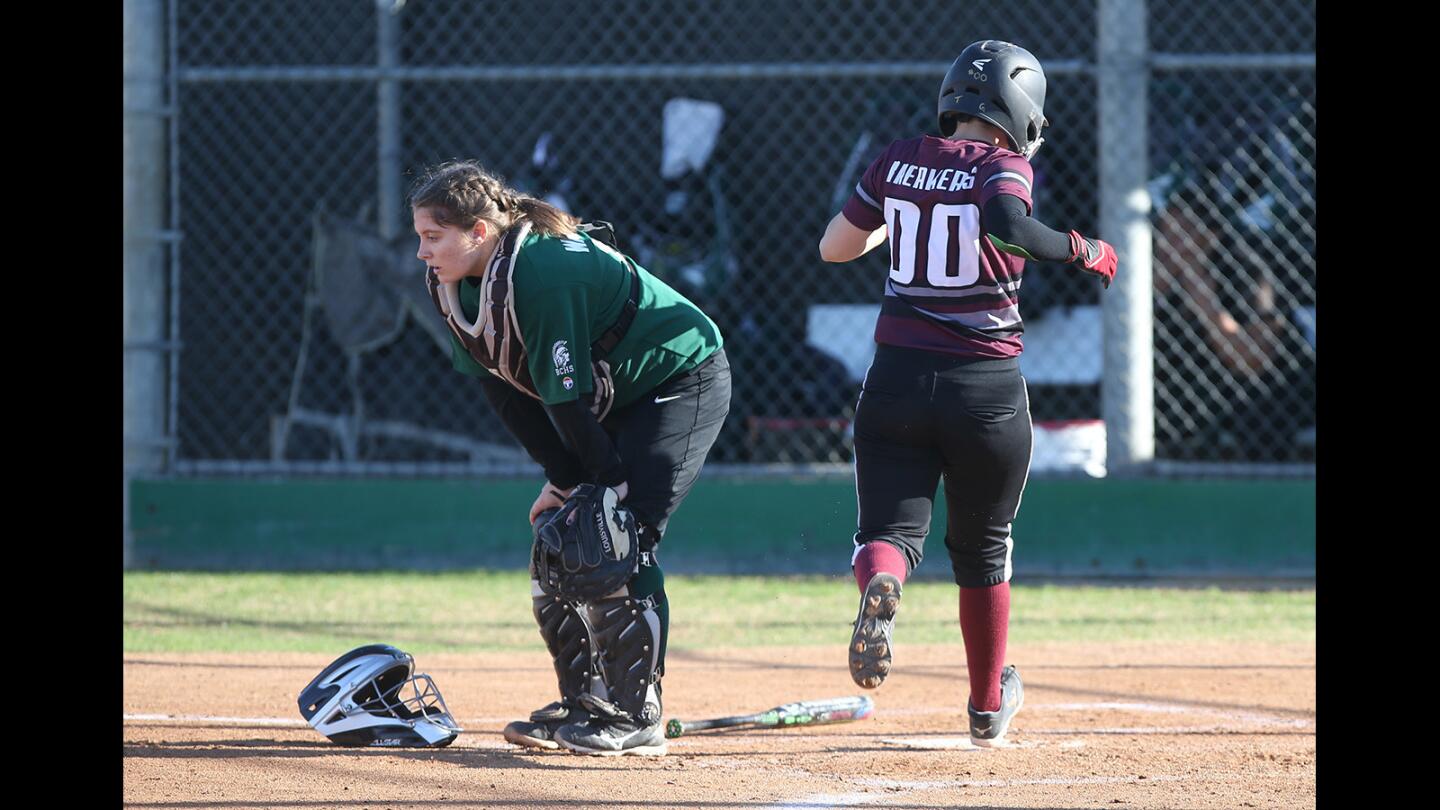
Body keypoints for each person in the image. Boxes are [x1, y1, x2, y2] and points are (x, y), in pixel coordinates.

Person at [817, 40, 1117, 747]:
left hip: (893, 380)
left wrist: (901, 215)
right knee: (983, 550)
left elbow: (835, 247)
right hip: (983, 391)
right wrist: (1084, 249)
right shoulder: (1004, 165)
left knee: (887, 534)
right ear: (1021, 110)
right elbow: (1010, 226)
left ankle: (882, 581)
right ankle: (986, 708)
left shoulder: (896, 158)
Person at [409, 160, 731, 756]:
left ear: (479, 231)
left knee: (615, 533)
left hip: (678, 376)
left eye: (434, 236)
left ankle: (636, 714)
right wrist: (564, 482)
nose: (424, 252)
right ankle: (586, 704)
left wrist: (606, 483)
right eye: (421, 238)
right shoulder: (455, 285)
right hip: (610, 394)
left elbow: (566, 396)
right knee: (565, 534)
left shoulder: (543, 269)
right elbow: (503, 389)